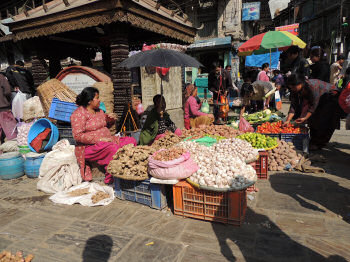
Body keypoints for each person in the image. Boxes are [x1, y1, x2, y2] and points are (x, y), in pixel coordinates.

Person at [71, 87, 136, 184]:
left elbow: (106, 126)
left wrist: (110, 120)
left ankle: (129, 169)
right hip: (89, 147)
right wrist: (99, 139)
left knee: (131, 141)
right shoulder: (79, 114)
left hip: (108, 141)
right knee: (113, 149)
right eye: (97, 98)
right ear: (89, 101)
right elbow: (78, 135)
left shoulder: (99, 111)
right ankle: (111, 178)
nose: (99, 100)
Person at [284, 74, 342, 150]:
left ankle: (319, 143)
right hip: (319, 101)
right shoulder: (295, 90)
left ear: (301, 83)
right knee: (312, 120)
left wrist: (305, 117)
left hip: (330, 97)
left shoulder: (313, 87)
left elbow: (313, 105)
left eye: (294, 87)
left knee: (323, 120)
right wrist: (288, 120)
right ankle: (314, 141)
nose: (292, 89)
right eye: (291, 87)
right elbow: (293, 105)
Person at [0, 73, 17, 143]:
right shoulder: (1, 77)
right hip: (3, 108)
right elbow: (7, 91)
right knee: (11, 132)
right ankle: (14, 151)